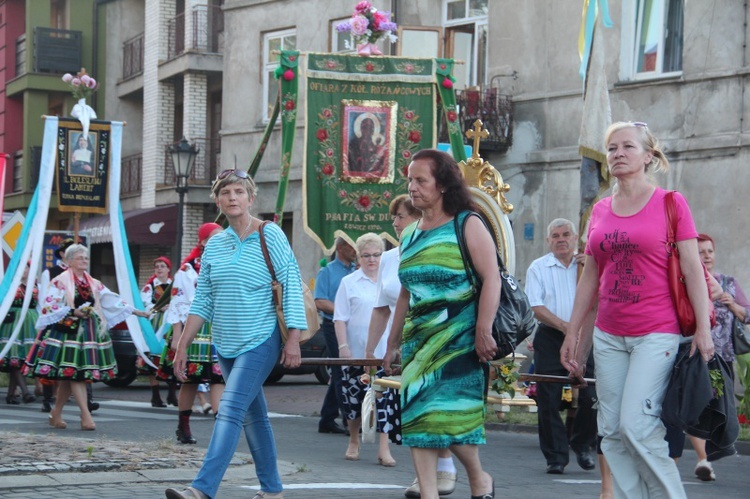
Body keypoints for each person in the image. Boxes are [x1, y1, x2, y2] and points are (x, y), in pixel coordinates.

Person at [560, 121, 714, 498]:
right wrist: (572, 333)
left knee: (635, 425)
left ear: (648, 156)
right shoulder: (599, 210)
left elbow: (694, 269)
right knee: (611, 432)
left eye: (628, 147)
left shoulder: (670, 203)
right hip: (609, 334)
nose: (618, 154)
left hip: (656, 331)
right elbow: (590, 277)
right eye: (612, 148)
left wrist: (704, 330)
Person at [165, 169, 306, 499]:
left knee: (228, 409)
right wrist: (183, 344)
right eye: (226, 193)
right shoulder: (215, 244)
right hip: (225, 342)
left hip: (261, 337)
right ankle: (272, 490)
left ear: (250, 198)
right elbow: (203, 300)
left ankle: (201, 489)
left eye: (239, 192)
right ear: (218, 201)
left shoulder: (270, 235)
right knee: (253, 416)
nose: (232, 197)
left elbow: (291, 287)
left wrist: (294, 338)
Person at [384, 149, 497, 499]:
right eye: (409, 180)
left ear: (443, 184)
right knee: (419, 417)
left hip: (460, 339)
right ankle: (430, 494)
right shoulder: (410, 234)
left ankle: (479, 478)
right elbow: (405, 292)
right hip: (419, 341)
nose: (412, 187)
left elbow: (491, 278)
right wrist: (392, 343)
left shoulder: (468, 223)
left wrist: (483, 328)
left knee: (452, 419)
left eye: (421, 180)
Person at [365, 194, 459, 497]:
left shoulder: (437, 247)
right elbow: (382, 308)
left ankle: (451, 469)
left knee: (428, 409)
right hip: (401, 345)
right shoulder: (389, 259)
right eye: (394, 217)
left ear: (420, 218)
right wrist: (372, 351)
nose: (395, 222)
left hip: (435, 339)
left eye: (402, 216)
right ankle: (427, 478)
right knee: (411, 415)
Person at [26, 244, 149, 431]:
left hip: (88, 332)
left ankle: (56, 413)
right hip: (67, 332)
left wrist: (135, 311)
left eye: (86, 257)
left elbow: (110, 299)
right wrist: (73, 311)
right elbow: (49, 306)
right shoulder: (60, 281)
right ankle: (85, 415)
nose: (84, 260)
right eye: (80, 257)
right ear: (69, 261)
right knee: (76, 375)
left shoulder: (92, 282)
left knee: (72, 375)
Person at [665, 233, 750, 482]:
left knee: (713, 411)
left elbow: (747, 314)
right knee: (695, 404)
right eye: (701, 252)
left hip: (721, 360)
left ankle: (703, 457)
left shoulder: (728, 283)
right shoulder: (685, 279)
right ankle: (700, 459)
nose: (706, 256)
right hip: (692, 357)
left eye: (710, 251)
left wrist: (731, 303)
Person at [525, 218, 598, 474]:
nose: (561, 239)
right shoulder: (538, 267)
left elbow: (601, 297)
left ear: (574, 237)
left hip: (586, 337)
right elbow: (536, 306)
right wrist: (566, 327)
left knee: (592, 395)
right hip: (551, 337)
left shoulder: (587, 265)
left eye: (566, 234)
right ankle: (556, 456)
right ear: (548, 241)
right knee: (548, 398)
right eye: (555, 235)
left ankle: (582, 443)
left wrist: (592, 268)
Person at [159, 223, 225, 444]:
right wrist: (178, 338)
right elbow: (177, 303)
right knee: (191, 379)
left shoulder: (228, 263)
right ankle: (183, 427)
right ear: (204, 242)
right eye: (214, 237)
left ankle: (221, 431)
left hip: (219, 327)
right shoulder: (187, 271)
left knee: (219, 378)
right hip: (194, 329)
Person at [334, 233, 395, 465]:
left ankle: (384, 449)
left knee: (385, 400)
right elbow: (340, 318)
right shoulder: (348, 283)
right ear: (358, 257)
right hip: (356, 353)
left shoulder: (390, 282)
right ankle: (353, 440)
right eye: (366, 255)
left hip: (384, 354)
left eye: (377, 255)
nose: (372, 259)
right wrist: (343, 347)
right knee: (353, 401)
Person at [316, 237, 357, 435]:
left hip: (353, 327)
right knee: (341, 371)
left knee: (341, 371)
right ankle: (349, 418)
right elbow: (320, 301)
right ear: (340, 248)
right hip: (333, 326)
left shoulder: (358, 270)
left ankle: (327, 418)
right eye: (351, 246)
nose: (355, 251)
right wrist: (342, 311)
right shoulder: (328, 271)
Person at [35, 237, 75, 412]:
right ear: (62, 254)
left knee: (72, 357)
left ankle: (83, 399)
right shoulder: (50, 272)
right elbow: (44, 300)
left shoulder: (79, 274)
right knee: (49, 358)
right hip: (54, 320)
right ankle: (47, 398)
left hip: (74, 320)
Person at [139, 256, 178, 407]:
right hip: (155, 324)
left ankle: (172, 394)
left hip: (171, 322)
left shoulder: (174, 285)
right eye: (157, 267)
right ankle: (155, 395)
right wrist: (157, 308)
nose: (159, 269)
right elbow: (144, 304)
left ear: (168, 269)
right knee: (154, 357)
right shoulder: (150, 287)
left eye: (162, 266)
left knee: (171, 355)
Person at [1, 262, 39, 405]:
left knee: (19, 360)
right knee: (15, 358)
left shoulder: (35, 286)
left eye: (27, 267)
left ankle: (11, 394)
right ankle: (25, 392)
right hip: (13, 323)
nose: (24, 270)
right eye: (21, 267)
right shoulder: (9, 285)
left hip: (29, 323)